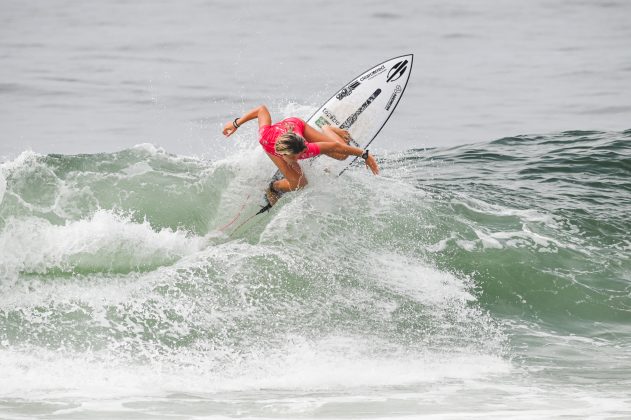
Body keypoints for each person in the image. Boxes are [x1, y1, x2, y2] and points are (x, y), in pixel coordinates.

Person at [222, 105, 379, 204]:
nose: (300, 158)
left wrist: (364, 155)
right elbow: (261, 110)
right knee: (299, 183)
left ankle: (327, 129)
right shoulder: (265, 137)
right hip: (275, 146)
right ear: (284, 154)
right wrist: (235, 124)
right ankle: (272, 187)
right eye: (296, 157)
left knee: (341, 155)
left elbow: (336, 146)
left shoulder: (306, 147)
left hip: (297, 125)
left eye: (301, 154)